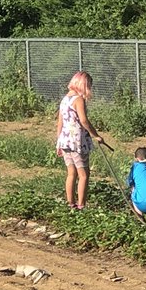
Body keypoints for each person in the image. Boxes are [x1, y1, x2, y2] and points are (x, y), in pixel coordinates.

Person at [55, 71, 111, 210]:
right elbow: (84, 120)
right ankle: (81, 205)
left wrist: (59, 141)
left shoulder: (65, 99)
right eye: (89, 85)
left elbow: (60, 122)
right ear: (83, 84)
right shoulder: (78, 100)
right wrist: (96, 135)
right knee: (84, 174)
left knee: (71, 173)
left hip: (65, 141)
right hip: (77, 142)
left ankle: (70, 203)